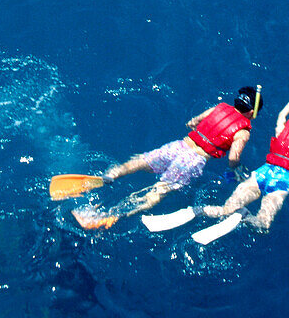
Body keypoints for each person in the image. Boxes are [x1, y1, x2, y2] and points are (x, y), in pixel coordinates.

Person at [72, 87, 261, 229]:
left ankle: (109, 176)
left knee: (138, 163)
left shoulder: (218, 108)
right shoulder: (243, 131)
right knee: (158, 192)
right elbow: (233, 158)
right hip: (193, 160)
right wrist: (236, 169)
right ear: (251, 113)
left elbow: (192, 122)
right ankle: (107, 216)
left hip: (177, 146)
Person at [198, 89, 289, 233]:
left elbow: (281, 115)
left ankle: (199, 211)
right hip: (282, 182)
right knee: (262, 225)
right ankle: (244, 219)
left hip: (262, 173)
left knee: (226, 210)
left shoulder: (282, 130)